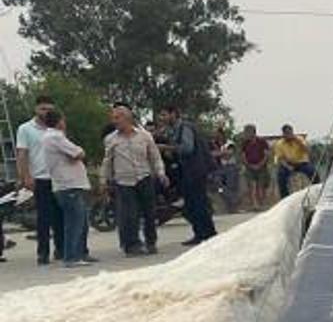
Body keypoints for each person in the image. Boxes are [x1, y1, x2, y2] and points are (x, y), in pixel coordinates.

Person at [103, 104, 168, 256]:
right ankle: (132, 245)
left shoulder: (144, 136)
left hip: (144, 178)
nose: (115, 121)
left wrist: (161, 172)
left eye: (117, 118)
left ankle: (151, 242)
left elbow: (155, 156)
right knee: (129, 215)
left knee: (149, 213)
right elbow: (107, 161)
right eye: (113, 118)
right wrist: (104, 180)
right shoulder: (110, 139)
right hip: (124, 181)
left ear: (128, 118)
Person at [40, 111, 96, 267]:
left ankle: (79, 253)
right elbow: (79, 152)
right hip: (68, 185)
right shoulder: (55, 137)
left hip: (69, 184)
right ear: (59, 122)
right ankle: (71, 257)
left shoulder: (51, 137)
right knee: (74, 222)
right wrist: (77, 153)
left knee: (81, 221)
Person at [15, 94, 63, 264]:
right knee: (44, 217)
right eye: (43, 109)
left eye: (49, 109)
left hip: (58, 177)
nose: (46, 112)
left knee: (60, 215)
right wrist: (25, 176)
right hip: (40, 178)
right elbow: (22, 154)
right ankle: (43, 253)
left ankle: (61, 249)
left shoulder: (56, 127)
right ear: (36, 109)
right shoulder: (25, 129)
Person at [159, 105, 217, 245]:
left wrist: (168, 148)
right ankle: (200, 233)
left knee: (198, 203)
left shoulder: (185, 128)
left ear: (173, 114)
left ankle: (208, 233)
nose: (162, 118)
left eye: (164, 115)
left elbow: (188, 148)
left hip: (195, 171)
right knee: (191, 203)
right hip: (188, 172)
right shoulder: (174, 130)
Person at [273, 124, 316, 199]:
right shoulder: (280, 143)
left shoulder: (299, 139)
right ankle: (285, 197)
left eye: (290, 133)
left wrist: (298, 141)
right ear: (283, 134)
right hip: (288, 163)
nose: (288, 135)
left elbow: (308, 150)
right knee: (281, 175)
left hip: (301, 163)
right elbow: (280, 158)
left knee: (312, 171)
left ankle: (316, 191)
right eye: (286, 133)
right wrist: (288, 166)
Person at [239, 124, 271, 211]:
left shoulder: (262, 141)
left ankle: (262, 204)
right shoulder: (244, 143)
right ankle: (255, 205)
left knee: (261, 186)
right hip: (249, 167)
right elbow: (243, 156)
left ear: (252, 132)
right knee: (252, 186)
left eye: (247, 132)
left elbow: (267, 154)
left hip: (262, 166)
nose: (245, 134)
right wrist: (249, 165)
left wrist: (260, 164)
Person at [211, 127, 240, 212]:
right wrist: (221, 153)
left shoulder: (229, 143)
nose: (215, 135)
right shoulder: (214, 144)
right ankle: (233, 201)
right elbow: (211, 154)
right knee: (219, 185)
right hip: (220, 168)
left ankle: (232, 207)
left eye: (217, 133)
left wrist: (219, 153)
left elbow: (229, 154)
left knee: (231, 186)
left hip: (231, 167)